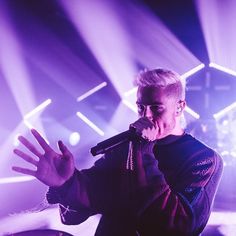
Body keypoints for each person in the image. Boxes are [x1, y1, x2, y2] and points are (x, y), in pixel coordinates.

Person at [13, 68, 223, 236]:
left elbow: (176, 227)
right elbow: (89, 199)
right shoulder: (125, 147)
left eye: (156, 107)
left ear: (179, 107)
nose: (146, 115)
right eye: (141, 107)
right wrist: (66, 182)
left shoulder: (203, 159)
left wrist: (143, 150)